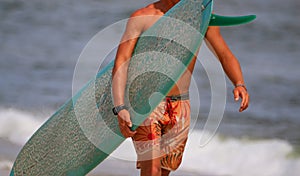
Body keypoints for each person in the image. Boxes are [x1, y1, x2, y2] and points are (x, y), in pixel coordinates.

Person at [111, 0, 249, 175]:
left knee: (163, 170)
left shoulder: (201, 18)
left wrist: (239, 83)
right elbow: (122, 61)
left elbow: (224, 54)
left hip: (181, 106)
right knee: (151, 169)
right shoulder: (143, 17)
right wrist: (120, 106)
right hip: (147, 103)